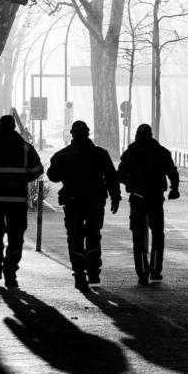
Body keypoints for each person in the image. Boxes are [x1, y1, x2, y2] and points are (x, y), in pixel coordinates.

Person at [0, 114, 44, 289]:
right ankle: (10, 274)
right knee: (16, 237)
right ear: (14, 128)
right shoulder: (25, 148)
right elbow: (37, 169)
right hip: (17, 201)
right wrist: (22, 179)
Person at [46, 121, 121, 291]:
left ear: (72, 134)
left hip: (73, 201)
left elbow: (53, 176)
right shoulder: (100, 154)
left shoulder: (63, 155)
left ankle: (80, 274)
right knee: (93, 235)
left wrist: (66, 170)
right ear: (88, 133)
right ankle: (93, 273)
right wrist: (115, 197)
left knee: (75, 237)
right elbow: (111, 177)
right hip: (95, 201)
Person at [117, 124, 180, 285]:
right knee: (158, 234)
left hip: (137, 198)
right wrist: (174, 189)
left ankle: (142, 273)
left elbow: (120, 174)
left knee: (138, 237)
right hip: (155, 198)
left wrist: (130, 183)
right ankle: (156, 270)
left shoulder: (131, 151)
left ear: (137, 136)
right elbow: (172, 172)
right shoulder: (161, 151)